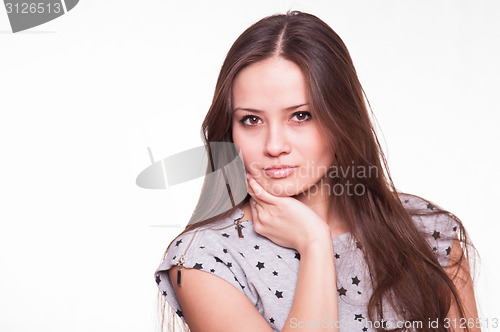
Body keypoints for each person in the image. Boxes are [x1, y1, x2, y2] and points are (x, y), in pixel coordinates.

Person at [154, 10, 479, 332]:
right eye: (251, 120)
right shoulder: (204, 258)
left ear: (341, 118)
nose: (274, 145)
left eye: (300, 116)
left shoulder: (428, 233)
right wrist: (314, 244)